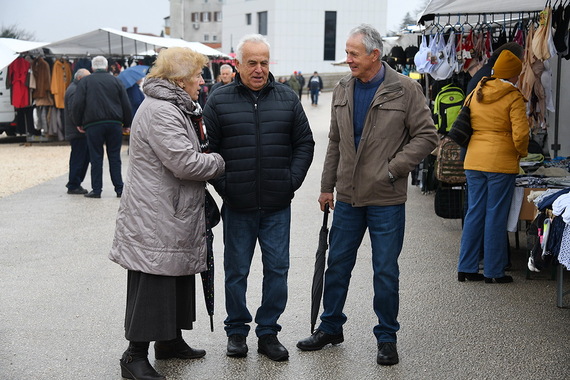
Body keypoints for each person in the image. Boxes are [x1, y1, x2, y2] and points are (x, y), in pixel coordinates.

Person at [296, 24, 438, 366]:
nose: (347, 60)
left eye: (353, 54)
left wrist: (392, 169)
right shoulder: (343, 88)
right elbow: (334, 141)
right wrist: (326, 186)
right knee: (337, 265)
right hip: (346, 197)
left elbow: (427, 137)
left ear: (375, 54)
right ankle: (330, 327)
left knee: (385, 270)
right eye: (346, 53)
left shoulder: (406, 90)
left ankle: (387, 337)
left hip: (386, 198)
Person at [108, 47, 225, 380]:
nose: (202, 81)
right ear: (180, 79)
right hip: (156, 214)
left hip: (167, 210)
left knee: (174, 275)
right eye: (198, 75)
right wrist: (219, 162)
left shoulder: (172, 106)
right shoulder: (162, 110)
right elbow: (184, 162)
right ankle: (134, 357)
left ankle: (169, 341)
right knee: (154, 281)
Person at [203, 33, 314, 362]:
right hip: (238, 206)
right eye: (252, 62)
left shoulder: (287, 98)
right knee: (236, 271)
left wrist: (290, 182)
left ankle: (268, 332)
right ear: (236, 64)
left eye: (264, 62)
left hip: (277, 206)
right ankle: (236, 331)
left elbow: (304, 143)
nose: (258, 69)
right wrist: (226, 186)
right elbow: (208, 151)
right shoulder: (219, 101)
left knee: (277, 270)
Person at [457, 50, 529, 284]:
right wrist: (521, 153)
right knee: (495, 215)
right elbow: (520, 134)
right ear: (513, 75)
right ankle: (494, 271)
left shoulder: (478, 89)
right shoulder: (513, 96)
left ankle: (466, 267)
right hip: (500, 162)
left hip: (474, 159)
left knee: (474, 212)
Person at [72, 56, 132, 198]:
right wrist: (127, 123)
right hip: (114, 124)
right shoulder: (117, 81)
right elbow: (125, 104)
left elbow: (78, 104)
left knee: (96, 157)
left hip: (93, 124)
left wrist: (78, 122)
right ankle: (119, 188)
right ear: (106, 67)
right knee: (114, 157)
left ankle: (97, 190)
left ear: (92, 68)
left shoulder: (85, 82)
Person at [64, 68, 91, 195]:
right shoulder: (75, 90)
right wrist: (79, 125)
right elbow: (73, 111)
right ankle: (74, 184)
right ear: (80, 78)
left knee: (82, 157)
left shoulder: (74, 88)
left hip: (77, 130)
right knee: (79, 158)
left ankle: (75, 182)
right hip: (77, 131)